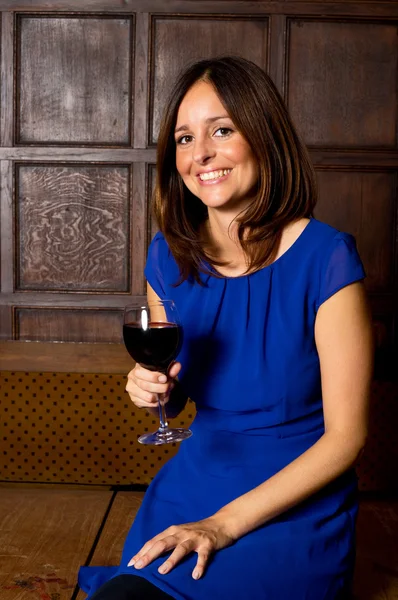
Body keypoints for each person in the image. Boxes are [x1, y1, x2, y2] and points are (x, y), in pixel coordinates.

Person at [78, 56, 374, 599]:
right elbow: (180, 387)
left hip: (293, 501)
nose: (201, 155)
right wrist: (153, 389)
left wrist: (224, 524)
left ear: (263, 136)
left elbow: (346, 438)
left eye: (222, 130)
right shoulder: (167, 257)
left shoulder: (326, 258)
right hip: (198, 480)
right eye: (185, 138)